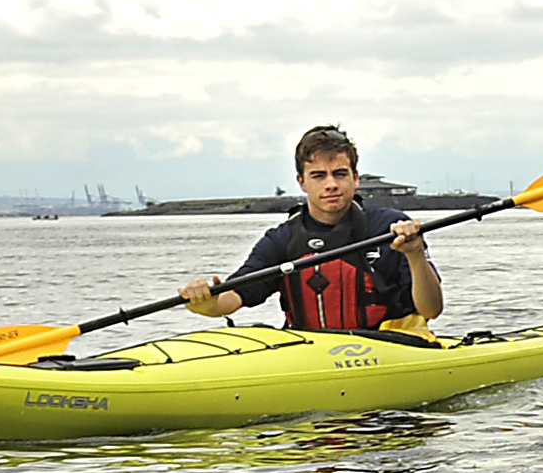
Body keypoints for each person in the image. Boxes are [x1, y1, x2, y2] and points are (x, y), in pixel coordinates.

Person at [180, 124, 442, 333]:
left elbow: (431, 310)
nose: (331, 184)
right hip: (314, 354)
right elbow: (232, 298)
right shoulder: (282, 239)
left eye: (339, 174)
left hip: (391, 348)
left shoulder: (390, 228)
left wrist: (415, 254)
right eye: (318, 176)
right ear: (302, 182)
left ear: (355, 178)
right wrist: (206, 304)